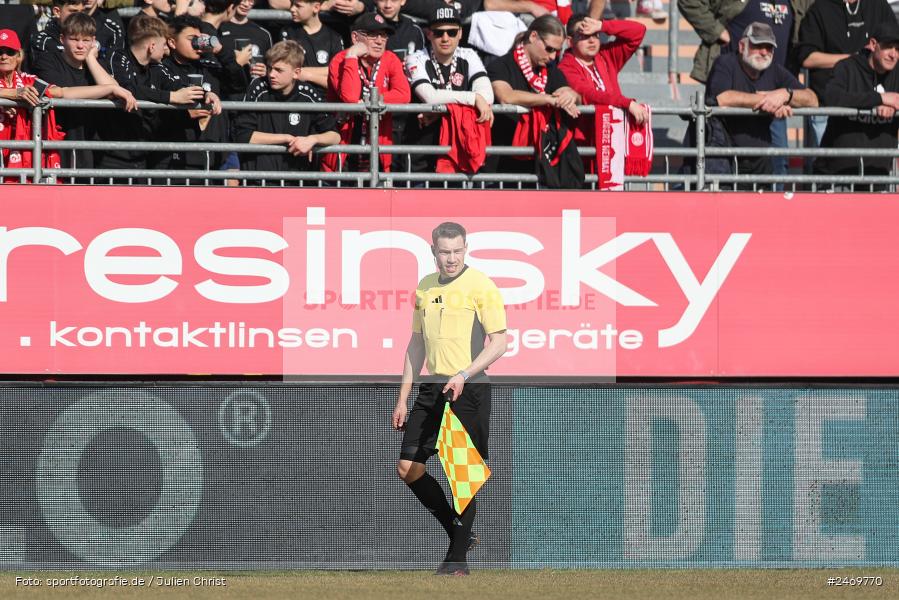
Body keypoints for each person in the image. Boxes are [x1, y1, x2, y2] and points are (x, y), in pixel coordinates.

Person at [393, 221, 507, 577]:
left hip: (468, 389)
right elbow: (416, 344)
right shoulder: (424, 288)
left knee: (463, 476)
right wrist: (403, 398)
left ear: (466, 248)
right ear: (433, 252)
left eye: (458, 250)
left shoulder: (481, 286)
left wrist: (464, 374)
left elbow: (501, 342)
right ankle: (461, 535)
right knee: (407, 468)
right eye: (445, 251)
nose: (452, 258)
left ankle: (456, 561)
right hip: (431, 388)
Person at [705, 22, 817, 185]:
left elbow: (812, 100)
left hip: (761, 160)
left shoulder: (775, 70)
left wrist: (785, 94)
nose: (764, 52)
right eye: (758, 46)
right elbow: (722, 98)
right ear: (742, 46)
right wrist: (770, 101)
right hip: (723, 158)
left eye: (769, 47)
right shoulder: (725, 63)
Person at [100, 14, 207, 173]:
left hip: (142, 155)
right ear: (151, 46)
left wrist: (207, 94)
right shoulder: (118, 57)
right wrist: (172, 97)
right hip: (113, 156)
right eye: (164, 44)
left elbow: (179, 86)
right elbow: (127, 89)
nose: (166, 50)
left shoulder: (157, 67)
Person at [31, 12, 137, 170]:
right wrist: (110, 88)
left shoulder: (96, 65)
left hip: (91, 149)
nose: (80, 46)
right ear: (62, 39)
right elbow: (63, 93)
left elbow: (115, 91)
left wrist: (91, 60)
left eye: (86, 40)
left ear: (94, 41)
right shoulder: (47, 60)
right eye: (74, 39)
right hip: (57, 145)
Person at [486, 14, 580, 176]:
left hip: (540, 168)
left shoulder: (551, 70)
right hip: (500, 166)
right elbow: (506, 96)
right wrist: (547, 99)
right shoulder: (501, 65)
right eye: (549, 49)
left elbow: (570, 93)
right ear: (533, 36)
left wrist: (570, 95)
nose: (552, 57)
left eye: (557, 52)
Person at [404, 5, 494, 173]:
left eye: (451, 32)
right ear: (429, 34)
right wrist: (473, 99)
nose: (445, 38)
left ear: (460, 33)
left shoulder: (469, 55)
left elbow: (487, 96)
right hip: (422, 154)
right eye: (439, 33)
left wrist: (440, 112)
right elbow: (430, 97)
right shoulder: (415, 58)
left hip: (460, 153)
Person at [232, 40, 340, 178]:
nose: (271, 74)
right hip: (259, 180)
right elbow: (243, 135)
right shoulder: (258, 87)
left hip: (298, 181)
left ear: (296, 73)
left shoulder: (307, 93)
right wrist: (286, 138)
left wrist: (312, 139)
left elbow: (335, 136)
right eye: (270, 68)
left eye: (279, 70)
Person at [796, 0, 897, 145]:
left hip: (876, 106)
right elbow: (807, 58)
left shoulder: (878, 5)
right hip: (831, 107)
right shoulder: (820, 9)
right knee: (832, 162)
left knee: (872, 164)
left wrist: (888, 99)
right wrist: (855, 58)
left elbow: (894, 45)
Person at [814, 21, 899, 183]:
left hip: (878, 176)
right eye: (888, 47)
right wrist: (879, 99)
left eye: (898, 49)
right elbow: (831, 97)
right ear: (874, 45)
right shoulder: (847, 67)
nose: (893, 54)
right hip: (837, 175)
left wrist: (894, 105)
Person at [326, 11, 410, 173]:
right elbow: (350, 98)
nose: (379, 41)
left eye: (384, 35)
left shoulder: (390, 59)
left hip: (378, 143)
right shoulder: (340, 60)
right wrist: (351, 56)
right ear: (355, 38)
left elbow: (403, 94)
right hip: (344, 144)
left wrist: (371, 100)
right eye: (373, 35)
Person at [558, 15, 647, 153]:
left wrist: (603, 26)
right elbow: (589, 94)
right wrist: (626, 103)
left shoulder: (606, 55)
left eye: (595, 34)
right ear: (570, 42)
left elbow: (639, 31)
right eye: (584, 36)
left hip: (614, 138)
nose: (592, 41)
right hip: (585, 144)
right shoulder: (565, 67)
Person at [153, 14, 225, 174]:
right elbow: (153, 114)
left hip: (207, 159)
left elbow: (238, 84)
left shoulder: (207, 67)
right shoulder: (160, 68)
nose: (197, 43)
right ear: (171, 42)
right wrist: (184, 114)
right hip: (170, 160)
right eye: (191, 39)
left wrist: (220, 50)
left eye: (199, 39)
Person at [280, 0, 344, 92]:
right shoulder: (288, 32)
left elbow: (336, 70)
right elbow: (288, 69)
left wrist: (308, 74)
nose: (292, 9)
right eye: (292, 4)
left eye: (298, 6)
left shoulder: (334, 37)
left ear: (316, 7)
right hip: (298, 96)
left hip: (325, 98)